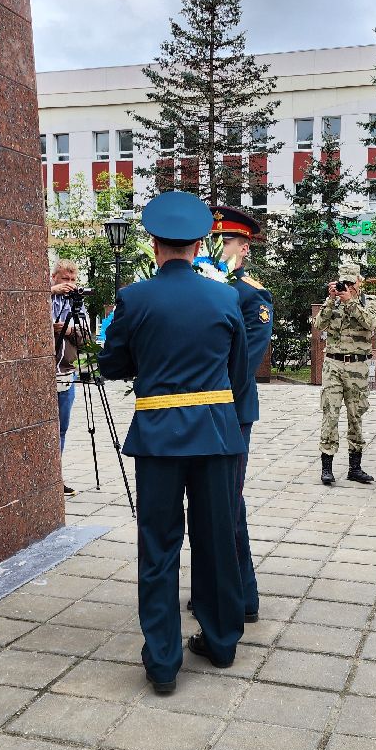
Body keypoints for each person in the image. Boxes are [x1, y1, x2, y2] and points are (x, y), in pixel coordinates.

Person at [98, 191, 252, 695]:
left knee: (159, 547)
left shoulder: (134, 298)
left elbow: (113, 365)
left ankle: (163, 662)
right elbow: (236, 373)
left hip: (160, 441)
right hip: (214, 436)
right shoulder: (226, 298)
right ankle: (222, 641)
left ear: (153, 242)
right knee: (215, 540)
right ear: (199, 241)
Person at [211, 206, 274, 623]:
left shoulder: (250, 294)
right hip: (198, 409)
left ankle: (243, 595)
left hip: (231, 410)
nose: (217, 249)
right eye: (214, 241)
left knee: (228, 500)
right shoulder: (202, 284)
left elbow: (246, 358)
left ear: (243, 248)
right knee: (206, 501)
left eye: (226, 243)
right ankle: (212, 588)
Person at [315, 259, 376, 485]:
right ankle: (327, 467)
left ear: (359, 282)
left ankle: (355, 467)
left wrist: (351, 302)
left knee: (355, 415)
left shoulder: (370, 302)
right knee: (330, 414)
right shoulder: (333, 303)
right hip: (333, 365)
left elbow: (370, 323)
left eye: (351, 283)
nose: (348, 287)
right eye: (344, 283)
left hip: (357, 367)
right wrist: (330, 300)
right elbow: (318, 324)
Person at [50, 259, 87, 497]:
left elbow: (85, 337)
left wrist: (70, 329)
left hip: (67, 372)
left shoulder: (76, 303)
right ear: (54, 277)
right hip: (45, 371)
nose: (70, 285)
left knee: (62, 428)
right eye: (65, 279)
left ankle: (56, 478)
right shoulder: (46, 296)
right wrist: (51, 291)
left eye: (73, 280)